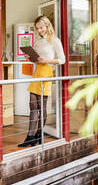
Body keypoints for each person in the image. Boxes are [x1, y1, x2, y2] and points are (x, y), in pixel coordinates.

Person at [18, 15, 65, 147]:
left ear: (47, 26)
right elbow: (37, 59)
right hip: (37, 72)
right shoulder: (38, 41)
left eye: (41, 28)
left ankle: (39, 134)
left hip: (46, 72)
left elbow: (62, 60)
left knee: (41, 105)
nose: (39, 31)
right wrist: (30, 57)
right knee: (32, 105)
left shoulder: (55, 40)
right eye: (37, 29)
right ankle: (30, 136)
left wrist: (47, 61)